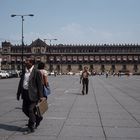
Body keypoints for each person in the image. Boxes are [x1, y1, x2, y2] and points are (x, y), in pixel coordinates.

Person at [17, 58, 44, 134]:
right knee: (24, 109)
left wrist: (41, 96)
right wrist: (18, 93)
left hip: (34, 94)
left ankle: (30, 127)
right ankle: (37, 118)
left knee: (30, 110)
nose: (25, 62)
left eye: (27, 61)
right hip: (25, 93)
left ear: (31, 63)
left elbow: (40, 85)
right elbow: (21, 82)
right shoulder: (24, 71)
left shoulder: (37, 72)